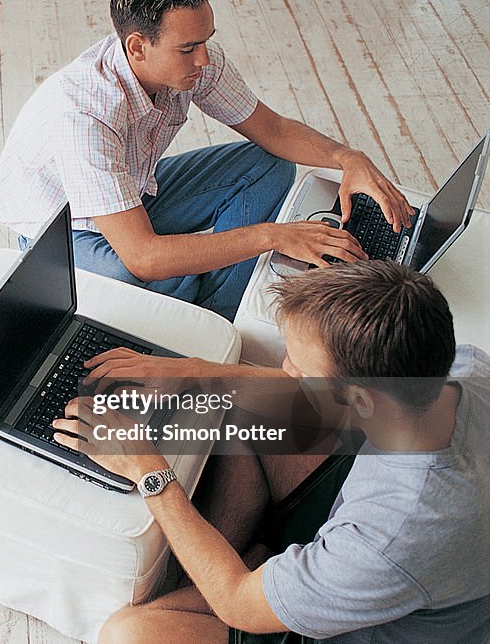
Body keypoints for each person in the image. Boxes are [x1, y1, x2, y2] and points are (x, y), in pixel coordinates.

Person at [52, 261, 490, 643]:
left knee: (128, 634)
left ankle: (254, 578)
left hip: (367, 628)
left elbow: (238, 607)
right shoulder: (463, 369)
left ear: (361, 402)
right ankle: (249, 568)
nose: (285, 370)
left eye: (300, 369)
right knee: (244, 409)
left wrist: (147, 467)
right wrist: (192, 373)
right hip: (385, 519)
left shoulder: (395, 535)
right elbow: (314, 397)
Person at [0, 0, 414, 321]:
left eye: (206, 41)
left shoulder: (192, 62)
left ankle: (219, 307)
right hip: (66, 226)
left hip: (133, 191)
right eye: (188, 47)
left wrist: (348, 157)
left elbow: (273, 130)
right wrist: (274, 236)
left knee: (268, 165)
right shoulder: (84, 114)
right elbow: (142, 256)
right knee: (138, 275)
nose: (205, 59)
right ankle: (203, 301)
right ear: (138, 47)